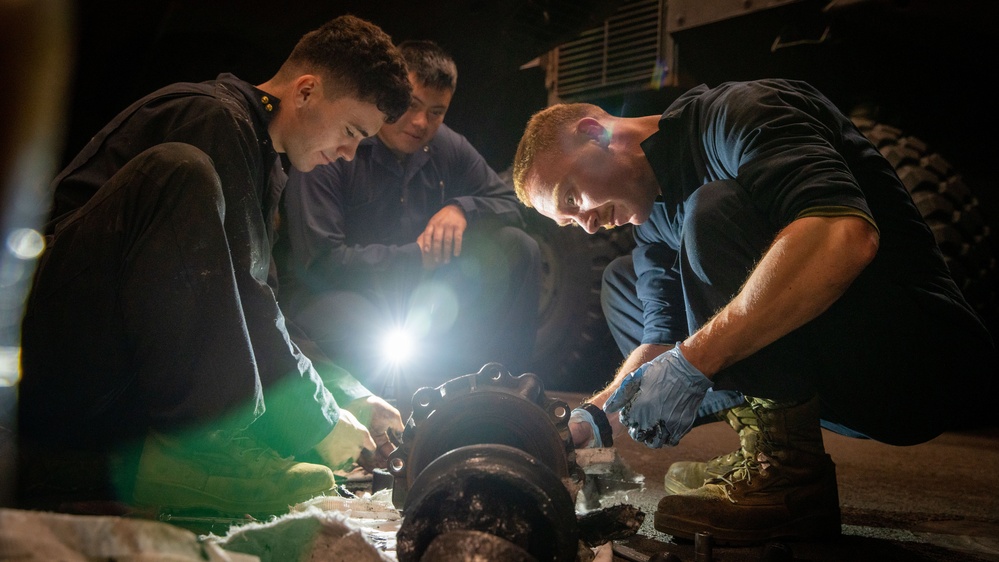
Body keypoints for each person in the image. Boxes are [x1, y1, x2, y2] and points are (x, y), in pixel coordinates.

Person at [511, 78, 996, 544]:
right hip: (835, 375)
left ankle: (791, 477)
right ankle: (763, 446)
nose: (588, 226)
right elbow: (659, 344)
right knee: (622, 282)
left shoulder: (738, 113)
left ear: (594, 133)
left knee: (712, 209)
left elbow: (846, 236)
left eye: (572, 199)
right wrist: (586, 423)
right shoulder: (651, 220)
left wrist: (694, 361)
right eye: (570, 220)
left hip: (917, 362)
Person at [17, 15, 413, 517]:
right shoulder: (212, 118)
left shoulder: (261, 159)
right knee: (177, 170)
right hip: (43, 354)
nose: (350, 154)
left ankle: (192, 451)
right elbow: (247, 300)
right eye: (352, 131)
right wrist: (319, 421)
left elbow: (259, 308)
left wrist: (350, 396)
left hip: (99, 377)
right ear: (307, 91)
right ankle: (209, 448)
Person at [279, 40, 540, 397]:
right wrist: (415, 257)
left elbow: (511, 201)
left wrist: (462, 209)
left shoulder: (446, 146)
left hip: (413, 294)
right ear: (391, 94)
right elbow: (319, 262)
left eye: (436, 112)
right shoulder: (335, 143)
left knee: (518, 246)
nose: (420, 123)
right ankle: (376, 419)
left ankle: (501, 393)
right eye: (411, 105)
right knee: (362, 323)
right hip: (333, 292)